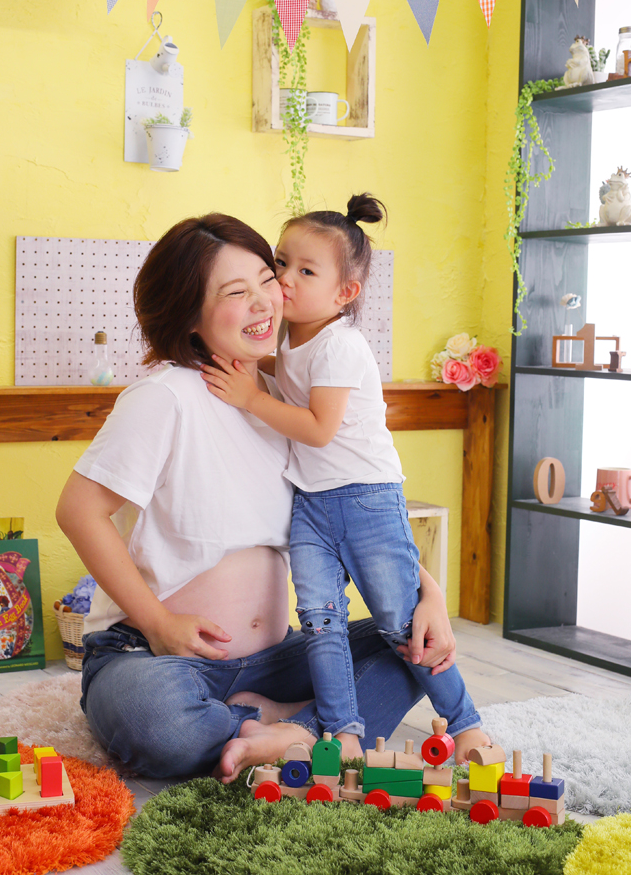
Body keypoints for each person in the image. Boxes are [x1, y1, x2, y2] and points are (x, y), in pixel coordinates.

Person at [56, 213, 461, 782]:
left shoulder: (281, 402)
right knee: (156, 721)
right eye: (234, 292)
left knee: (418, 650)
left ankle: (288, 728)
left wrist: (428, 593)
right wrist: (158, 623)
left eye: (267, 279)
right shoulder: (164, 396)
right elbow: (79, 511)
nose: (264, 301)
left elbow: (347, 506)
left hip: (278, 656)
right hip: (160, 656)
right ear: (188, 313)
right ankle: (301, 728)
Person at [201, 196, 487, 763]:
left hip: (365, 499)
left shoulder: (341, 344)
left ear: (344, 293)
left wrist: (251, 397)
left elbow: (318, 428)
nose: (285, 279)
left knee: (400, 623)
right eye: (281, 262)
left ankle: (467, 726)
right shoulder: (290, 337)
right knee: (320, 623)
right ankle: (342, 735)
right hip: (311, 504)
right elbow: (286, 377)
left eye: (306, 271)